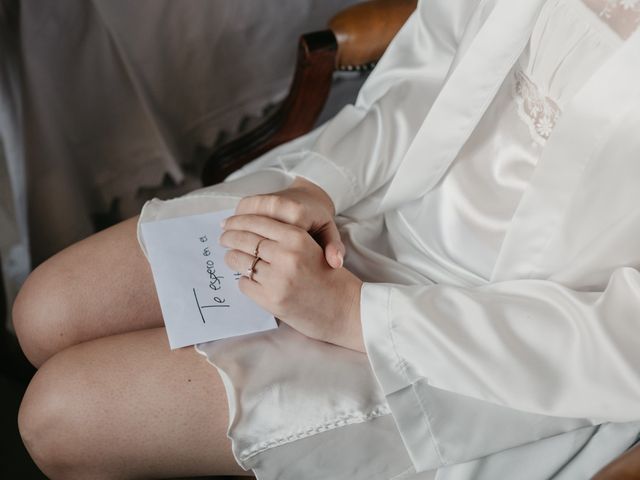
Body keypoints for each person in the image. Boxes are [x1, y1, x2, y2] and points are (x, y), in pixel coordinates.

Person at [12, 0, 640, 478]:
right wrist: (322, 186)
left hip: (502, 345)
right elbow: (437, 54)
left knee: (57, 417)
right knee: (45, 312)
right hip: (381, 199)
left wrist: (351, 312)